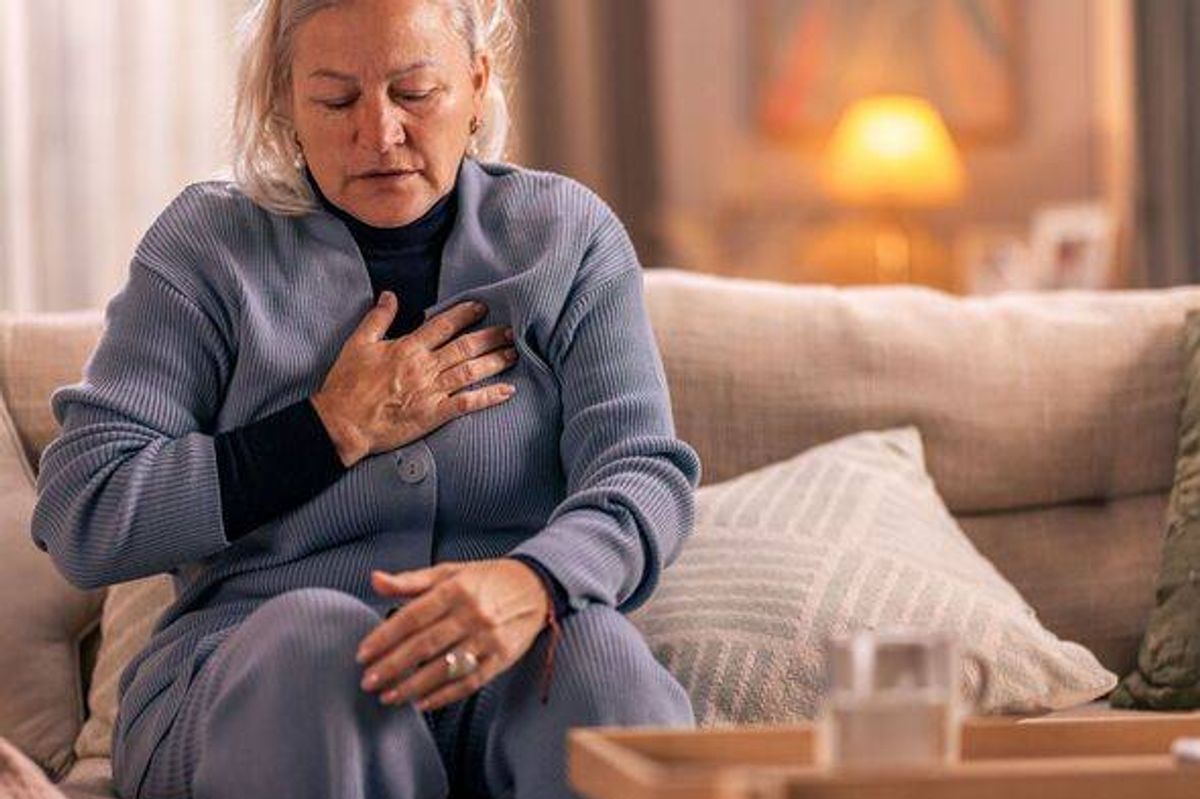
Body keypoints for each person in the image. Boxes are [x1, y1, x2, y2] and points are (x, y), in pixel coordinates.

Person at [30, 0, 701, 797]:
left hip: (500, 659)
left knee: (599, 666)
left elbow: (641, 472)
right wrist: (328, 427)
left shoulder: (568, 236)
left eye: (415, 93)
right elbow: (85, 514)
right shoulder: (206, 247)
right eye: (337, 100)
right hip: (254, 678)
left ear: (478, 84)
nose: (378, 134)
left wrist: (535, 582)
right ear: (283, 100)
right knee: (320, 644)